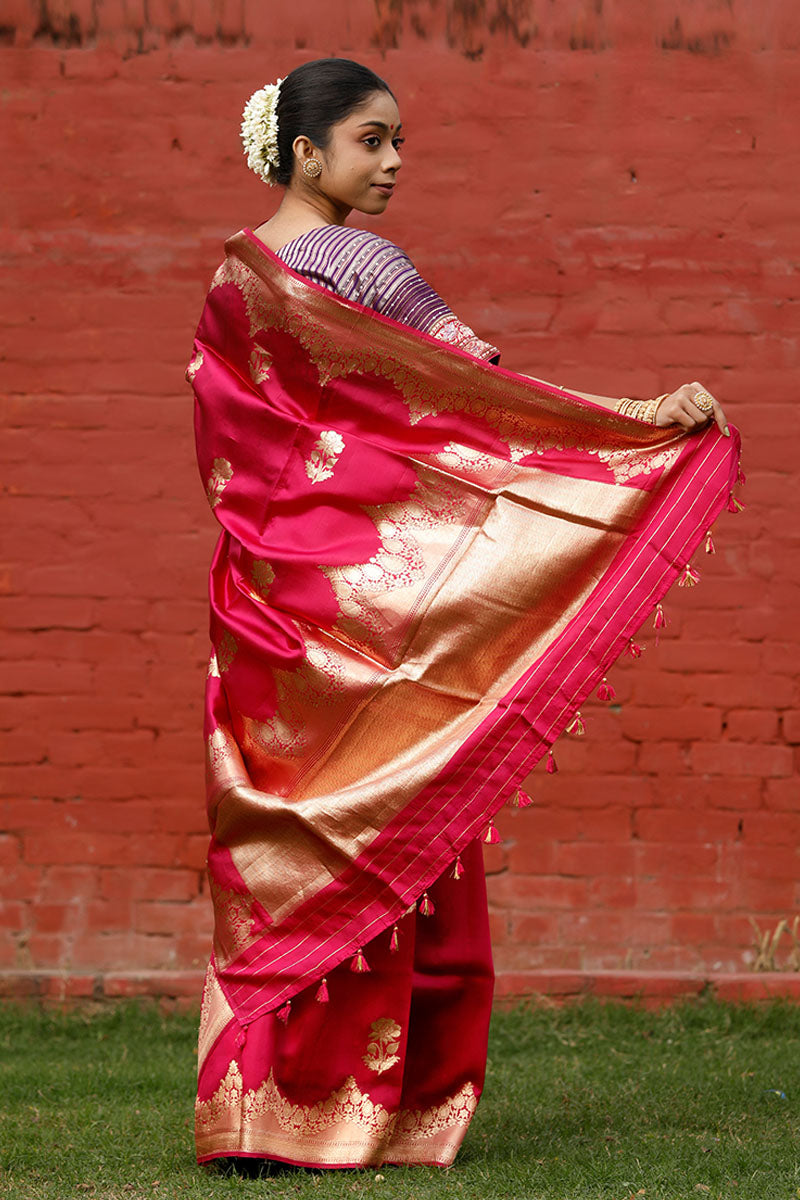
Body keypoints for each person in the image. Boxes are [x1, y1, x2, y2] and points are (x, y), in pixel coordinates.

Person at [188, 58, 740, 1171]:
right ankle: (370, 1114)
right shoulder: (360, 264)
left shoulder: (232, 280)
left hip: (270, 608)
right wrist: (641, 424)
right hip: (367, 612)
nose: (392, 165)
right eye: (370, 141)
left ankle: (259, 1117)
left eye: (399, 143)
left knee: (282, 846)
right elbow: (490, 406)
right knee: (393, 820)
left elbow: (248, 461)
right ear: (305, 151)